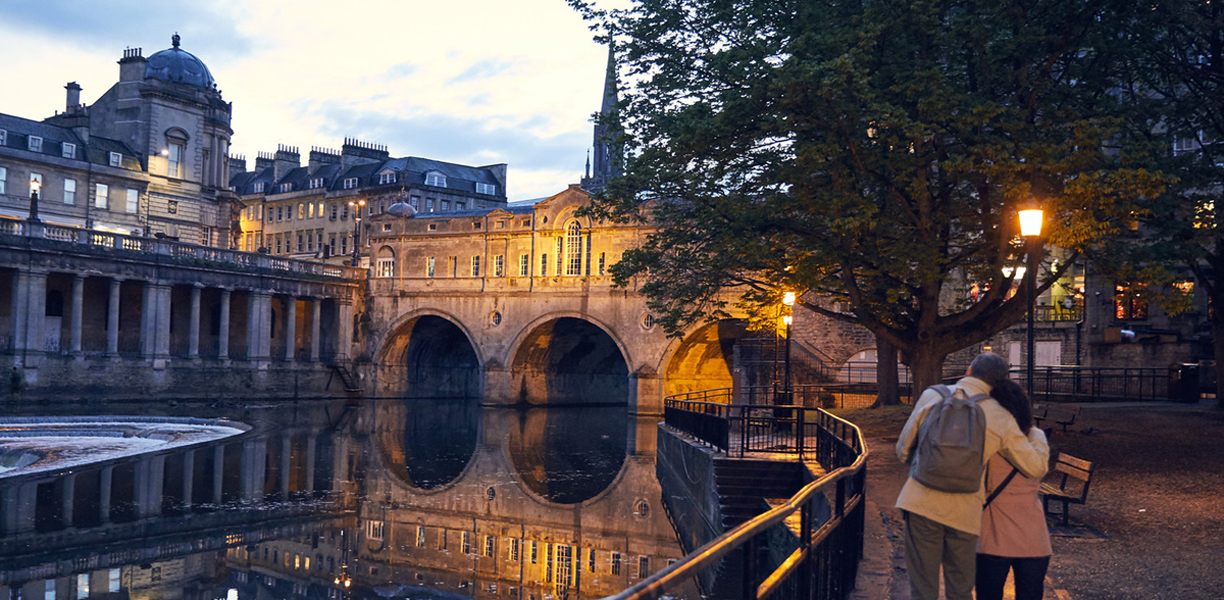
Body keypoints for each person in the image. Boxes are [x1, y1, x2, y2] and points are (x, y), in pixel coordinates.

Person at [895, 353, 1050, 600]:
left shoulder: (932, 395)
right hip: (965, 514)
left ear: (968, 371)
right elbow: (1035, 468)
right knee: (960, 590)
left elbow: (902, 450)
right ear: (1001, 381)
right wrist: (1036, 436)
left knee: (923, 589)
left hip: (920, 502)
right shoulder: (1000, 416)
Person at [976, 379, 1052, 600]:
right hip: (1034, 539)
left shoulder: (987, 441)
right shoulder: (1036, 437)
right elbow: (1039, 469)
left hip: (993, 534)